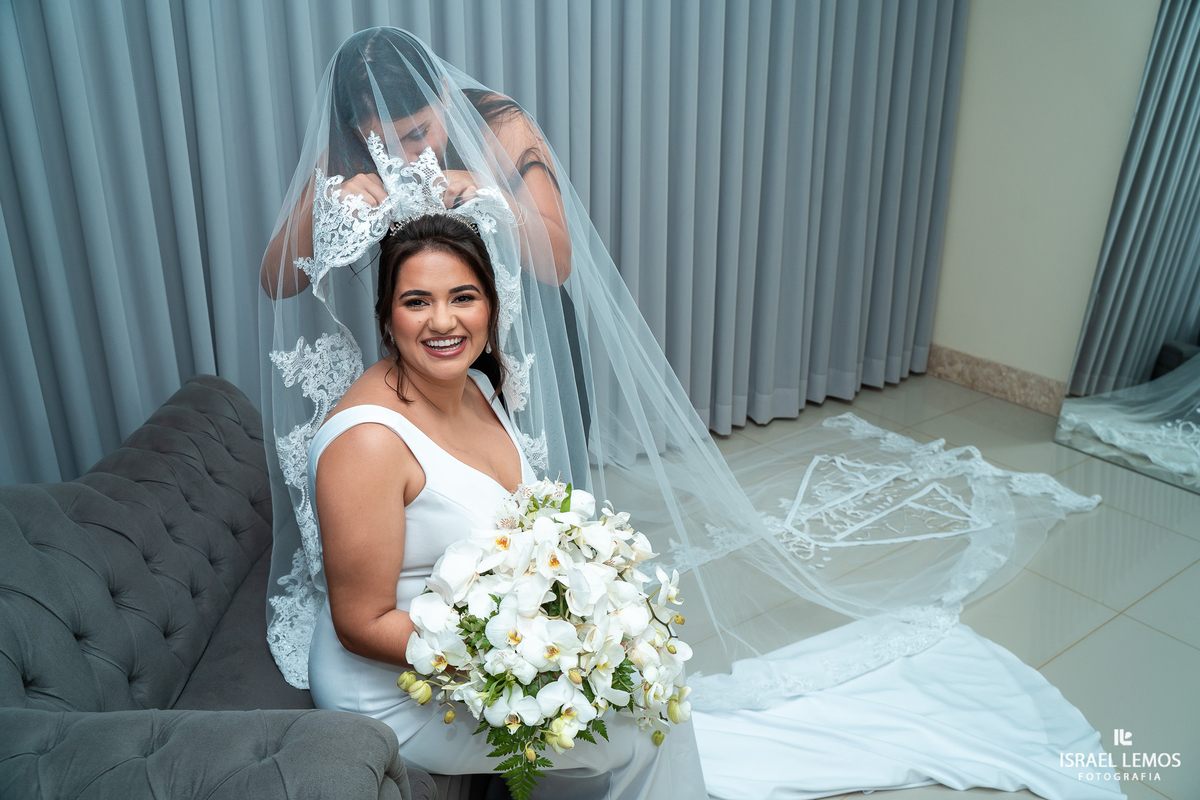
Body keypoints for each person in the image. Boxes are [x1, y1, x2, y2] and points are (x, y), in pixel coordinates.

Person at [261, 27, 1123, 799]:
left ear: (445, 101)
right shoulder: (354, 177)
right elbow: (276, 278)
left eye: (413, 130)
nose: (400, 146)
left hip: (501, 352)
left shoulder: (497, 125)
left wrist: (478, 189)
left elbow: (556, 254)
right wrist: (343, 196)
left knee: (522, 504)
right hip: (412, 381)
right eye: (382, 134)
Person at [304, 212, 704, 795]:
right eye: (417, 302)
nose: (443, 321)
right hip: (394, 685)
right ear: (387, 318)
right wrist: (525, 661)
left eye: (462, 297)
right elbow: (359, 624)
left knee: (657, 693)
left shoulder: (478, 385)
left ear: (491, 305)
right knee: (647, 731)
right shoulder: (367, 443)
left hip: (487, 640)